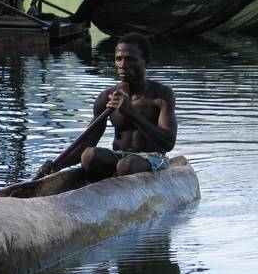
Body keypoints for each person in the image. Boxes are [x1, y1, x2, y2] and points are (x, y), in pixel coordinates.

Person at [36, 32, 177, 181]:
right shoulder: (107, 97)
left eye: (130, 59)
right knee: (89, 156)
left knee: (126, 166)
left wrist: (131, 113)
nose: (122, 65)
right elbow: (88, 141)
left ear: (147, 62)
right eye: (118, 59)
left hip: (152, 159)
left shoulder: (161, 95)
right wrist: (57, 165)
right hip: (120, 157)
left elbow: (168, 142)